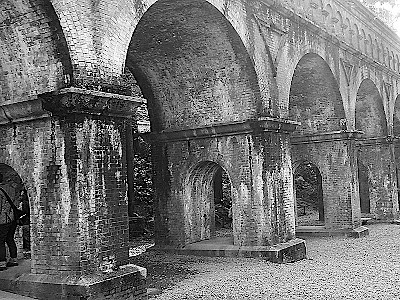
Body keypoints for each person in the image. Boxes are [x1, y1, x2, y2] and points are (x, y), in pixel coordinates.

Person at [0, 173, 18, 270]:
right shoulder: (10, 188)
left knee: (0, 241)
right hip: (12, 218)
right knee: (10, 238)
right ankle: (14, 259)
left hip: (3, 220)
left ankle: (1, 263)